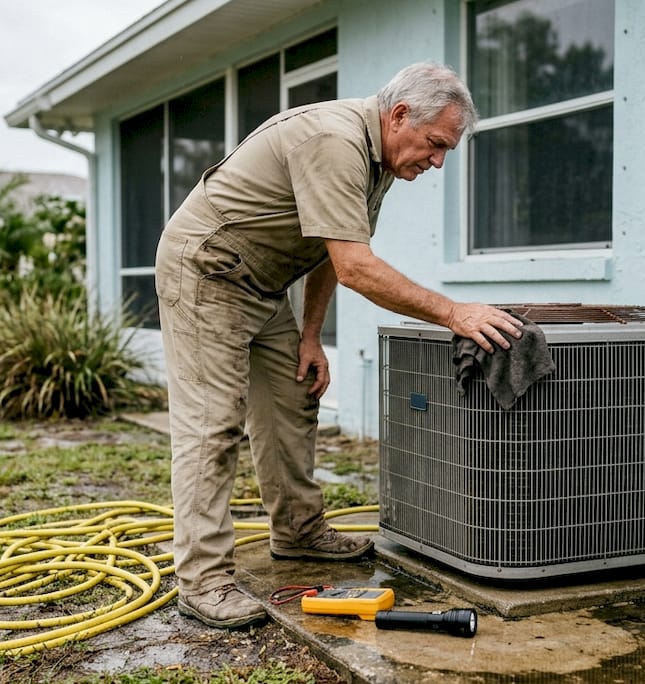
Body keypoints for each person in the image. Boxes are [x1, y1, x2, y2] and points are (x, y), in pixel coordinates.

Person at [155, 62, 523, 629]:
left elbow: (333, 251)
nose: (438, 161)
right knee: (213, 424)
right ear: (398, 116)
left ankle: (298, 533)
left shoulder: (380, 163)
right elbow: (357, 268)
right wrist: (454, 312)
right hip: (208, 272)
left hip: (266, 283)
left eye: (447, 149)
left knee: (293, 396)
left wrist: (309, 336)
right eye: (435, 144)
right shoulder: (333, 141)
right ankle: (202, 582)